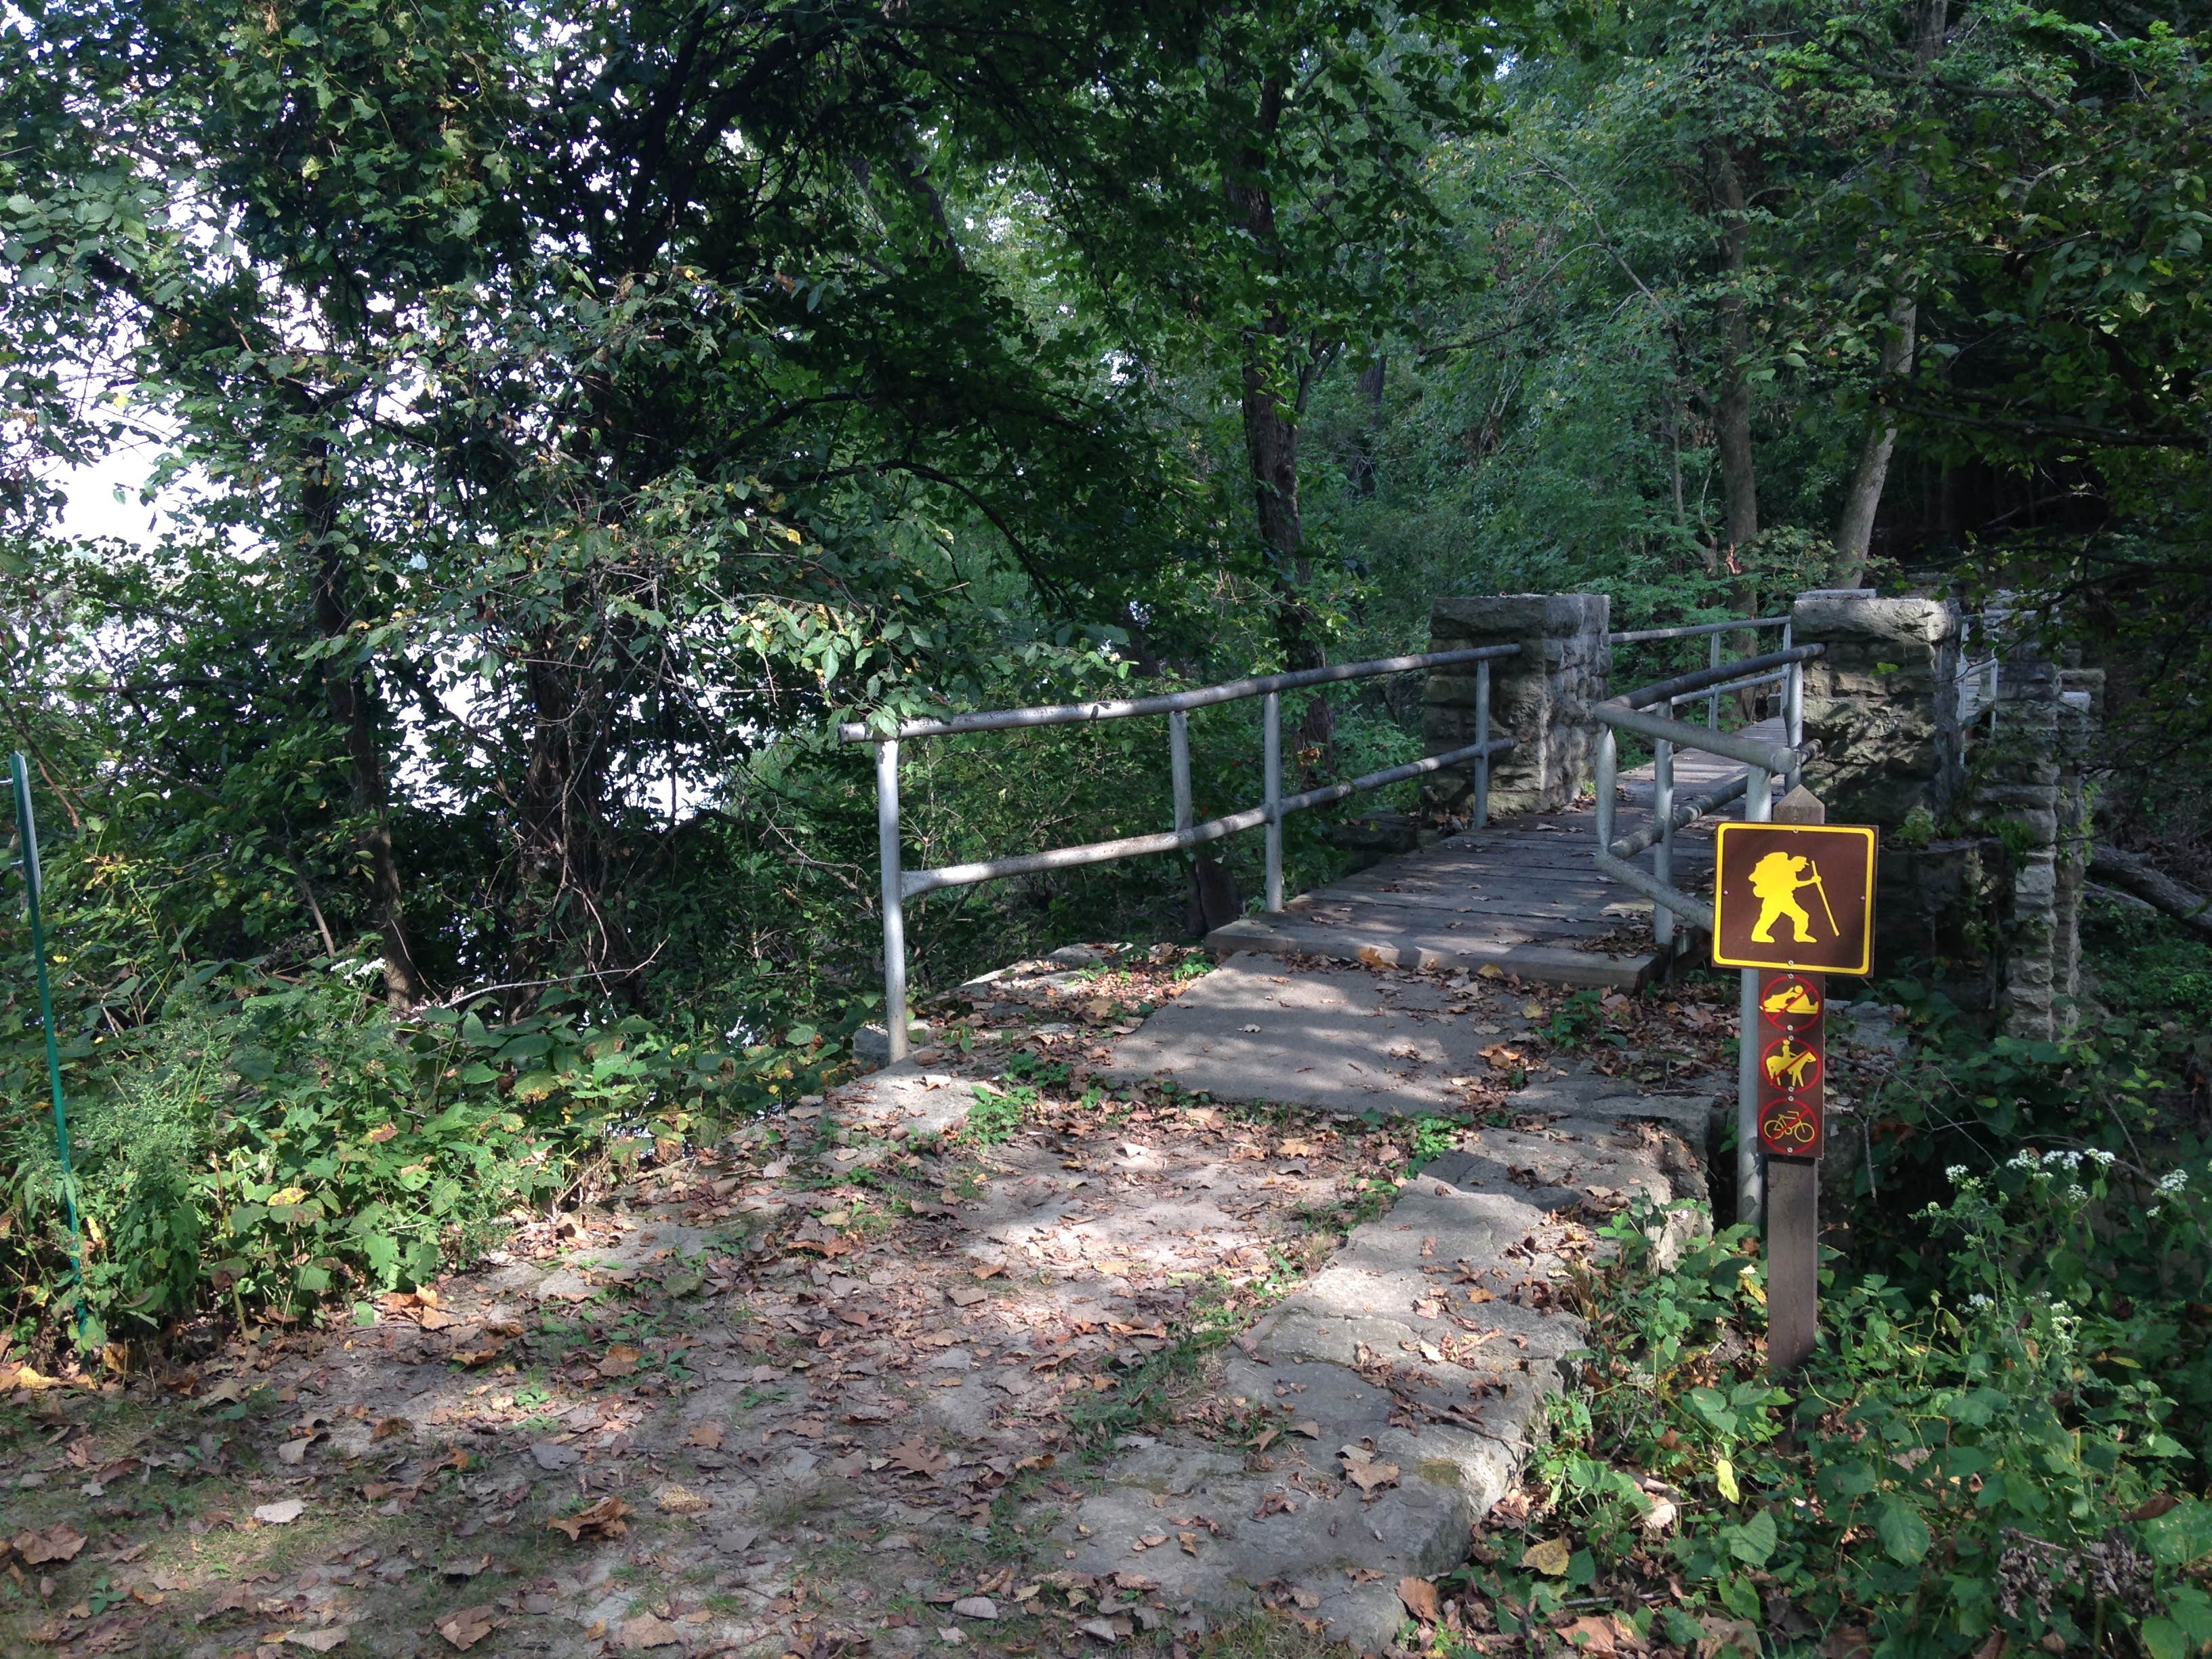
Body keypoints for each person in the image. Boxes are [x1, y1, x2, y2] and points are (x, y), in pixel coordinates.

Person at [1748, 851, 1819, 944]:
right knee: (1768, 918)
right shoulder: (1783, 867)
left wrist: (1811, 881)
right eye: (1802, 866)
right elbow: (1792, 884)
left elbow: (1795, 884)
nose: (1802, 868)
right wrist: (1812, 881)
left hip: (1785, 898)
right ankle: (1758, 935)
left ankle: (1800, 935)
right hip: (1775, 898)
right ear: (1796, 863)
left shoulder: (1791, 871)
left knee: (1801, 916)